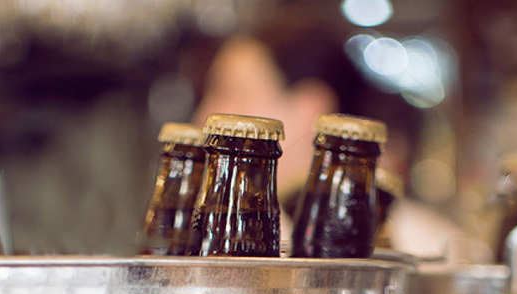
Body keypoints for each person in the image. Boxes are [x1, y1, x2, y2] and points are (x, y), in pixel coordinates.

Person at [191, 8, 462, 257]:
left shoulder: (418, 243)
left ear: (310, 109)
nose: (204, 115)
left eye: (231, 92)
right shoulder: (211, 224)